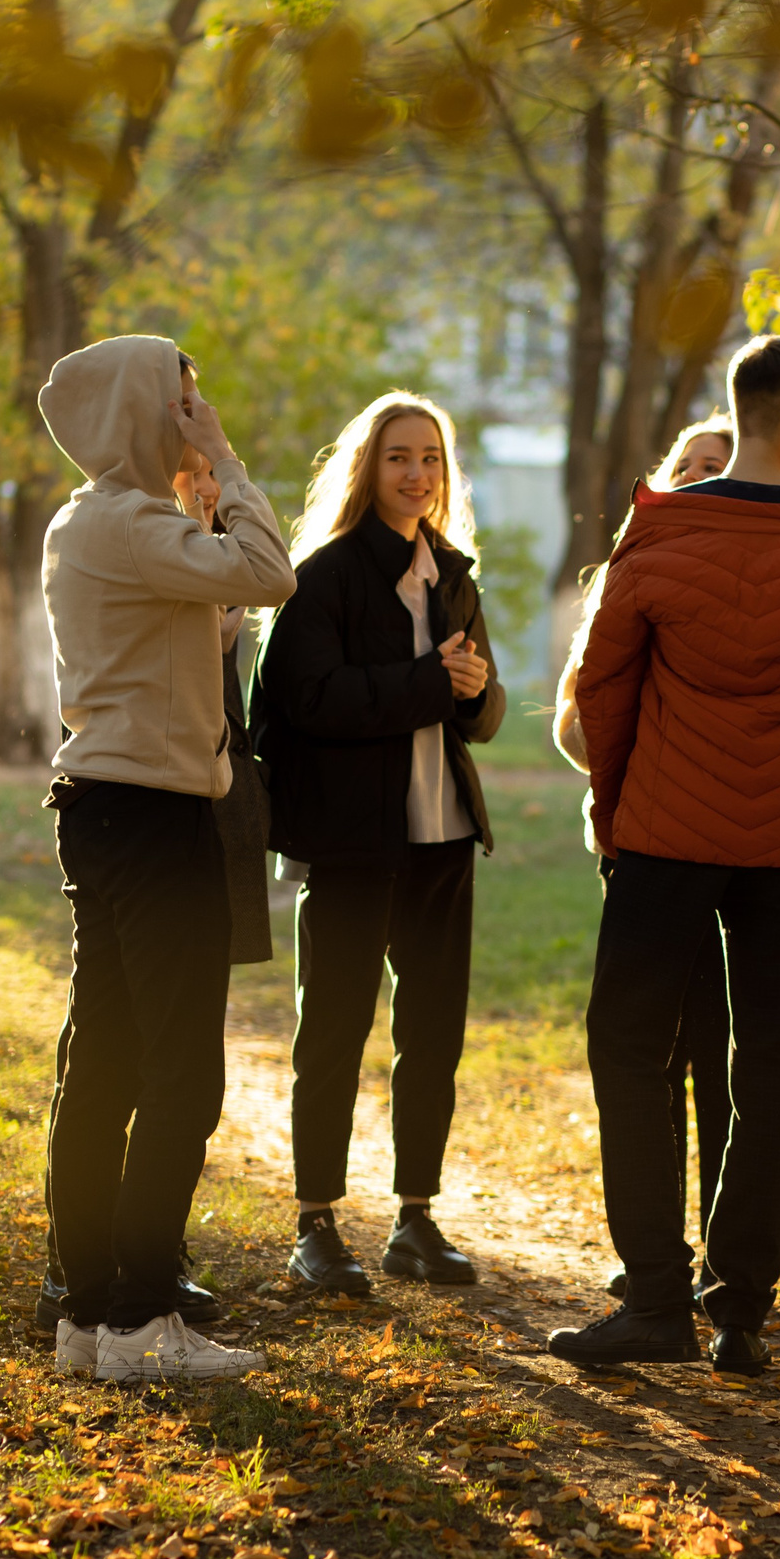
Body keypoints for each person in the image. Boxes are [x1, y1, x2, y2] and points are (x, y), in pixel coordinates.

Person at [550, 336, 780, 1376]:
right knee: (769, 1071)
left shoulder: (660, 532)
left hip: (663, 834)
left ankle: (655, 1299)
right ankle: (741, 1306)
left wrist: (615, 809)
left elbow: (603, 694)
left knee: (626, 1049)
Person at [38, 334, 297, 1383]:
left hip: (103, 807)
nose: (196, 414)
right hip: (151, 820)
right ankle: (142, 1321)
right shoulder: (132, 523)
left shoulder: (90, 522)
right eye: (183, 401)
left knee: (102, 1063)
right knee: (179, 1079)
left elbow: (191, 627)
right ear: (146, 412)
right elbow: (271, 571)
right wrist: (225, 462)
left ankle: (88, 1318)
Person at [252, 392, 506, 1297]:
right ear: (369, 467)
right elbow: (307, 700)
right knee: (333, 1035)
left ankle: (414, 1218)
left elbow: (482, 713)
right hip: (353, 844)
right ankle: (314, 1224)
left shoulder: (454, 575)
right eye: (399, 456)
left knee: (432, 1036)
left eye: (431, 458)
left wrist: (472, 689)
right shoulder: (322, 576)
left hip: (442, 840)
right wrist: (431, 682)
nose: (417, 473)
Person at [551, 415, 738, 1299]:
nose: (707, 477)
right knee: (647, 1061)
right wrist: (642, 760)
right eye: (694, 464)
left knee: (720, 1061)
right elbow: (572, 718)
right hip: (639, 848)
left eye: (725, 466)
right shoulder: (630, 568)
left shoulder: (765, 581)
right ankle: (656, 1255)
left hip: (736, 857)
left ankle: (721, 1257)